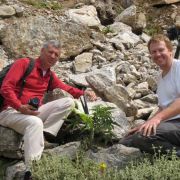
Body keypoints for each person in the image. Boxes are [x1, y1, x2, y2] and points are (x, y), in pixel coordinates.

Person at [0, 40, 97, 179]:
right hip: (10, 111)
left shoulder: (49, 75)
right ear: (42, 51)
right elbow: (6, 88)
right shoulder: (24, 63)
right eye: (50, 52)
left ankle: (44, 135)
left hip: (32, 112)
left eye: (56, 55)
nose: (53, 56)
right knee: (35, 123)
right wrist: (19, 106)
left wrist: (84, 94)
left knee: (68, 102)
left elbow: (65, 88)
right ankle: (31, 171)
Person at [120, 34, 180, 156]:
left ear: (170, 51)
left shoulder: (178, 67)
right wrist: (147, 123)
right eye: (153, 52)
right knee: (125, 141)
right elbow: (163, 107)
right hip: (171, 123)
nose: (157, 54)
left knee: (144, 136)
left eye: (161, 50)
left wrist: (157, 119)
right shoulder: (160, 77)